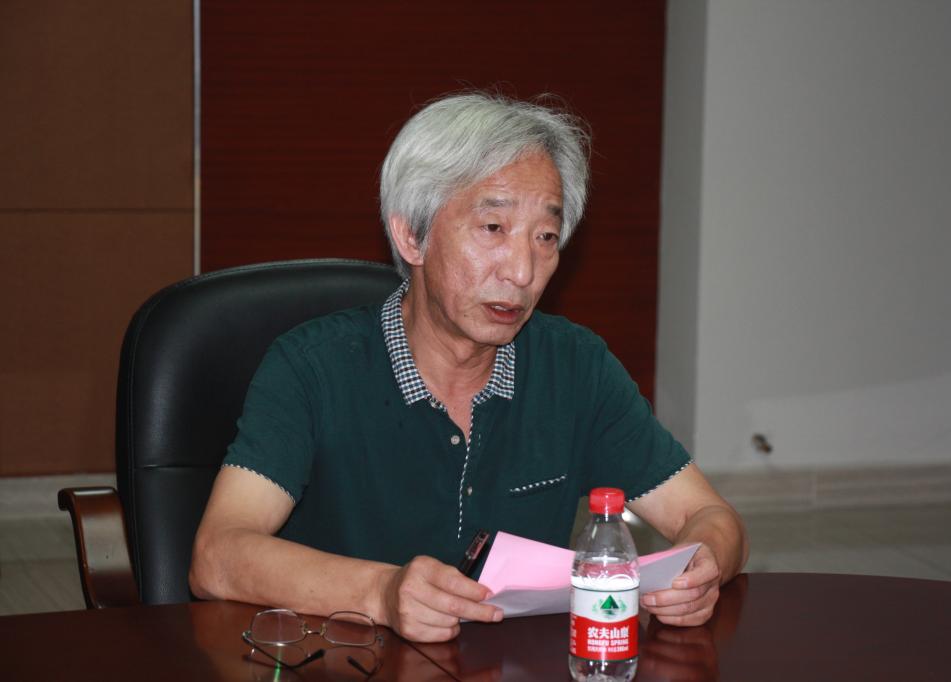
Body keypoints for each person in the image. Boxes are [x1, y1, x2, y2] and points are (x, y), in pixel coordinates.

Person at [189, 92, 748, 643]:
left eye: (545, 237)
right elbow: (217, 556)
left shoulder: (575, 367)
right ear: (412, 235)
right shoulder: (312, 368)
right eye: (493, 229)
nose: (523, 271)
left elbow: (709, 516)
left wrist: (703, 567)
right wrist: (381, 593)